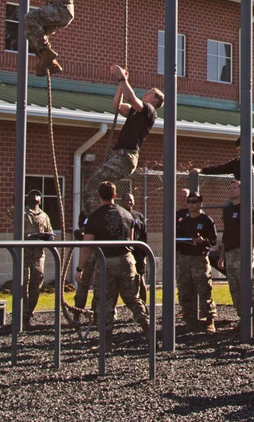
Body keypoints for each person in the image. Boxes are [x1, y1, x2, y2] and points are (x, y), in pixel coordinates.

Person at [83, 64, 163, 216]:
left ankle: (98, 216)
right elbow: (117, 105)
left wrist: (122, 77)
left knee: (95, 183)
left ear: (154, 101)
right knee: (103, 186)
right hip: (120, 154)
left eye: (149, 93)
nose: (145, 94)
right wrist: (121, 84)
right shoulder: (135, 110)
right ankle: (100, 215)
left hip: (126, 156)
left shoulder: (149, 111)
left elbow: (130, 97)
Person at [78, 181, 150, 346]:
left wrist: (79, 268)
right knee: (132, 298)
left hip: (106, 262)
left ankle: (106, 341)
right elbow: (131, 240)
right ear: (115, 196)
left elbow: (86, 246)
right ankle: (147, 327)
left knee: (105, 301)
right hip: (126, 259)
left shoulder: (94, 217)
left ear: (99, 196)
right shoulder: (127, 215)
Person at [196, 136, 254, 255]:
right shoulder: (237, 162)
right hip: (242, 198)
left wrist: (252, 168)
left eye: (242, 150)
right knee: (227, 207)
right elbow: (221, 168)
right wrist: (202, 170)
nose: (240, 153)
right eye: (238, 151)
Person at [217, 180, 254, 327]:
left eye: (234, 188)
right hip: (229, 252)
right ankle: (242, 318)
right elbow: (226, 233)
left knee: (246, 286)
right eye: (230, 188)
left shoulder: (247, 208)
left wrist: (252, 251)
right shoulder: (227, 210)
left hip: (243, 251)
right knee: (234, 287)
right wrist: (221, 256)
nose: (231, 190)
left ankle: (252, 321)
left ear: (241, 190)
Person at [176, 191, 218, 333]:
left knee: (204, 289)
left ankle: (210, 320)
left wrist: (202, 241)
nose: (191, 204)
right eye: (189, 202)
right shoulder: (184, 222)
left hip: (200, 259)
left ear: (200, 203)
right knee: (184, 290)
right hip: (185, 259)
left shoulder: (206, 220)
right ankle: (189, 320)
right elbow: (177, 241)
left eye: (194, 202)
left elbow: (213, 242)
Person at [22, 190, 54, 329]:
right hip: (24, 254)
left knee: (36, 284)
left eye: (38, 195)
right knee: (23, 284)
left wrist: (45, 236)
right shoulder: (22, 213)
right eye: (32, 195)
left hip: (38, 255)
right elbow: (10, 218)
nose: (35, 197)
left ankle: (29, 314)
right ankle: (21, 315)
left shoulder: (44, 216)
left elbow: (51, 234)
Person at [120, 192, 149, 303]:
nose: (129, 202)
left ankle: (144, 307)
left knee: (140, 279)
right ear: (121, 201)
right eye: (126, 200)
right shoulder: (119, 215)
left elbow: (144, 236)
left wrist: (144, 255)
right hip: (123, 252)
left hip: (137, 253)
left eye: (131, 200)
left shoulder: (139, 216)